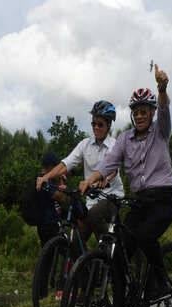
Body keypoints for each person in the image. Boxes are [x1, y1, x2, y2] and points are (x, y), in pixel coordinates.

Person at [80, 64, 172, 301]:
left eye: (144, 111)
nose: (140, 115)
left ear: (151, 113)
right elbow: (108, 165)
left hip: (164, 199)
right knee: (120, 248)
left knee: (145, 236)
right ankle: (120, 302)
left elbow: (165, 109)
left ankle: (162, 282)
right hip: (140, 201)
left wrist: (162, 88)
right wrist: (90, 180)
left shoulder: (161, 131)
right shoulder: (125, 139)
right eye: (136, 112)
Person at [40, 100, 124, 241]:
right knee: (76, 240)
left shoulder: (114, 145)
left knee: (94, 221)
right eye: (93, 124)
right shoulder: (85, 144)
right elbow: (66, 164)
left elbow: (112, 169)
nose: (96, 128)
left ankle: (111, 250)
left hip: (111, 197)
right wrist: (46, 177)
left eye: (100, 124)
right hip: (91, 201)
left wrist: (103, 181)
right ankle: (87, 262)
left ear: (109, 125)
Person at [32, 151, 67, 245]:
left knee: (47, 253)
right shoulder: (44, 181)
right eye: (56, 166)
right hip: (50, 223)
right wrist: (61, 181)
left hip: (43, 223)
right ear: (50, 166)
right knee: (62, 249)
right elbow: (61, 198)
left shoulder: (41, 179)